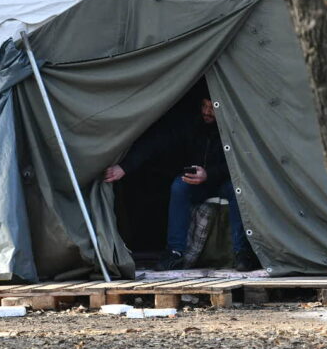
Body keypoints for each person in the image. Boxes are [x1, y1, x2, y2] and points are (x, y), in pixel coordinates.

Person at [103, 97, 260, 272]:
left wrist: (209, 174)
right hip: (197, 183)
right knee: (180, 186)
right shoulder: (190, 125)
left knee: (237, 189)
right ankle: (175, 252)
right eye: (204, 105)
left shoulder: (233, 126)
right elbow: (155, 143)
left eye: (212, 107)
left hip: (223, 181)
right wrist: (124, 167)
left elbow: (242, 161)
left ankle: (242, 253)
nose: (207, 112)